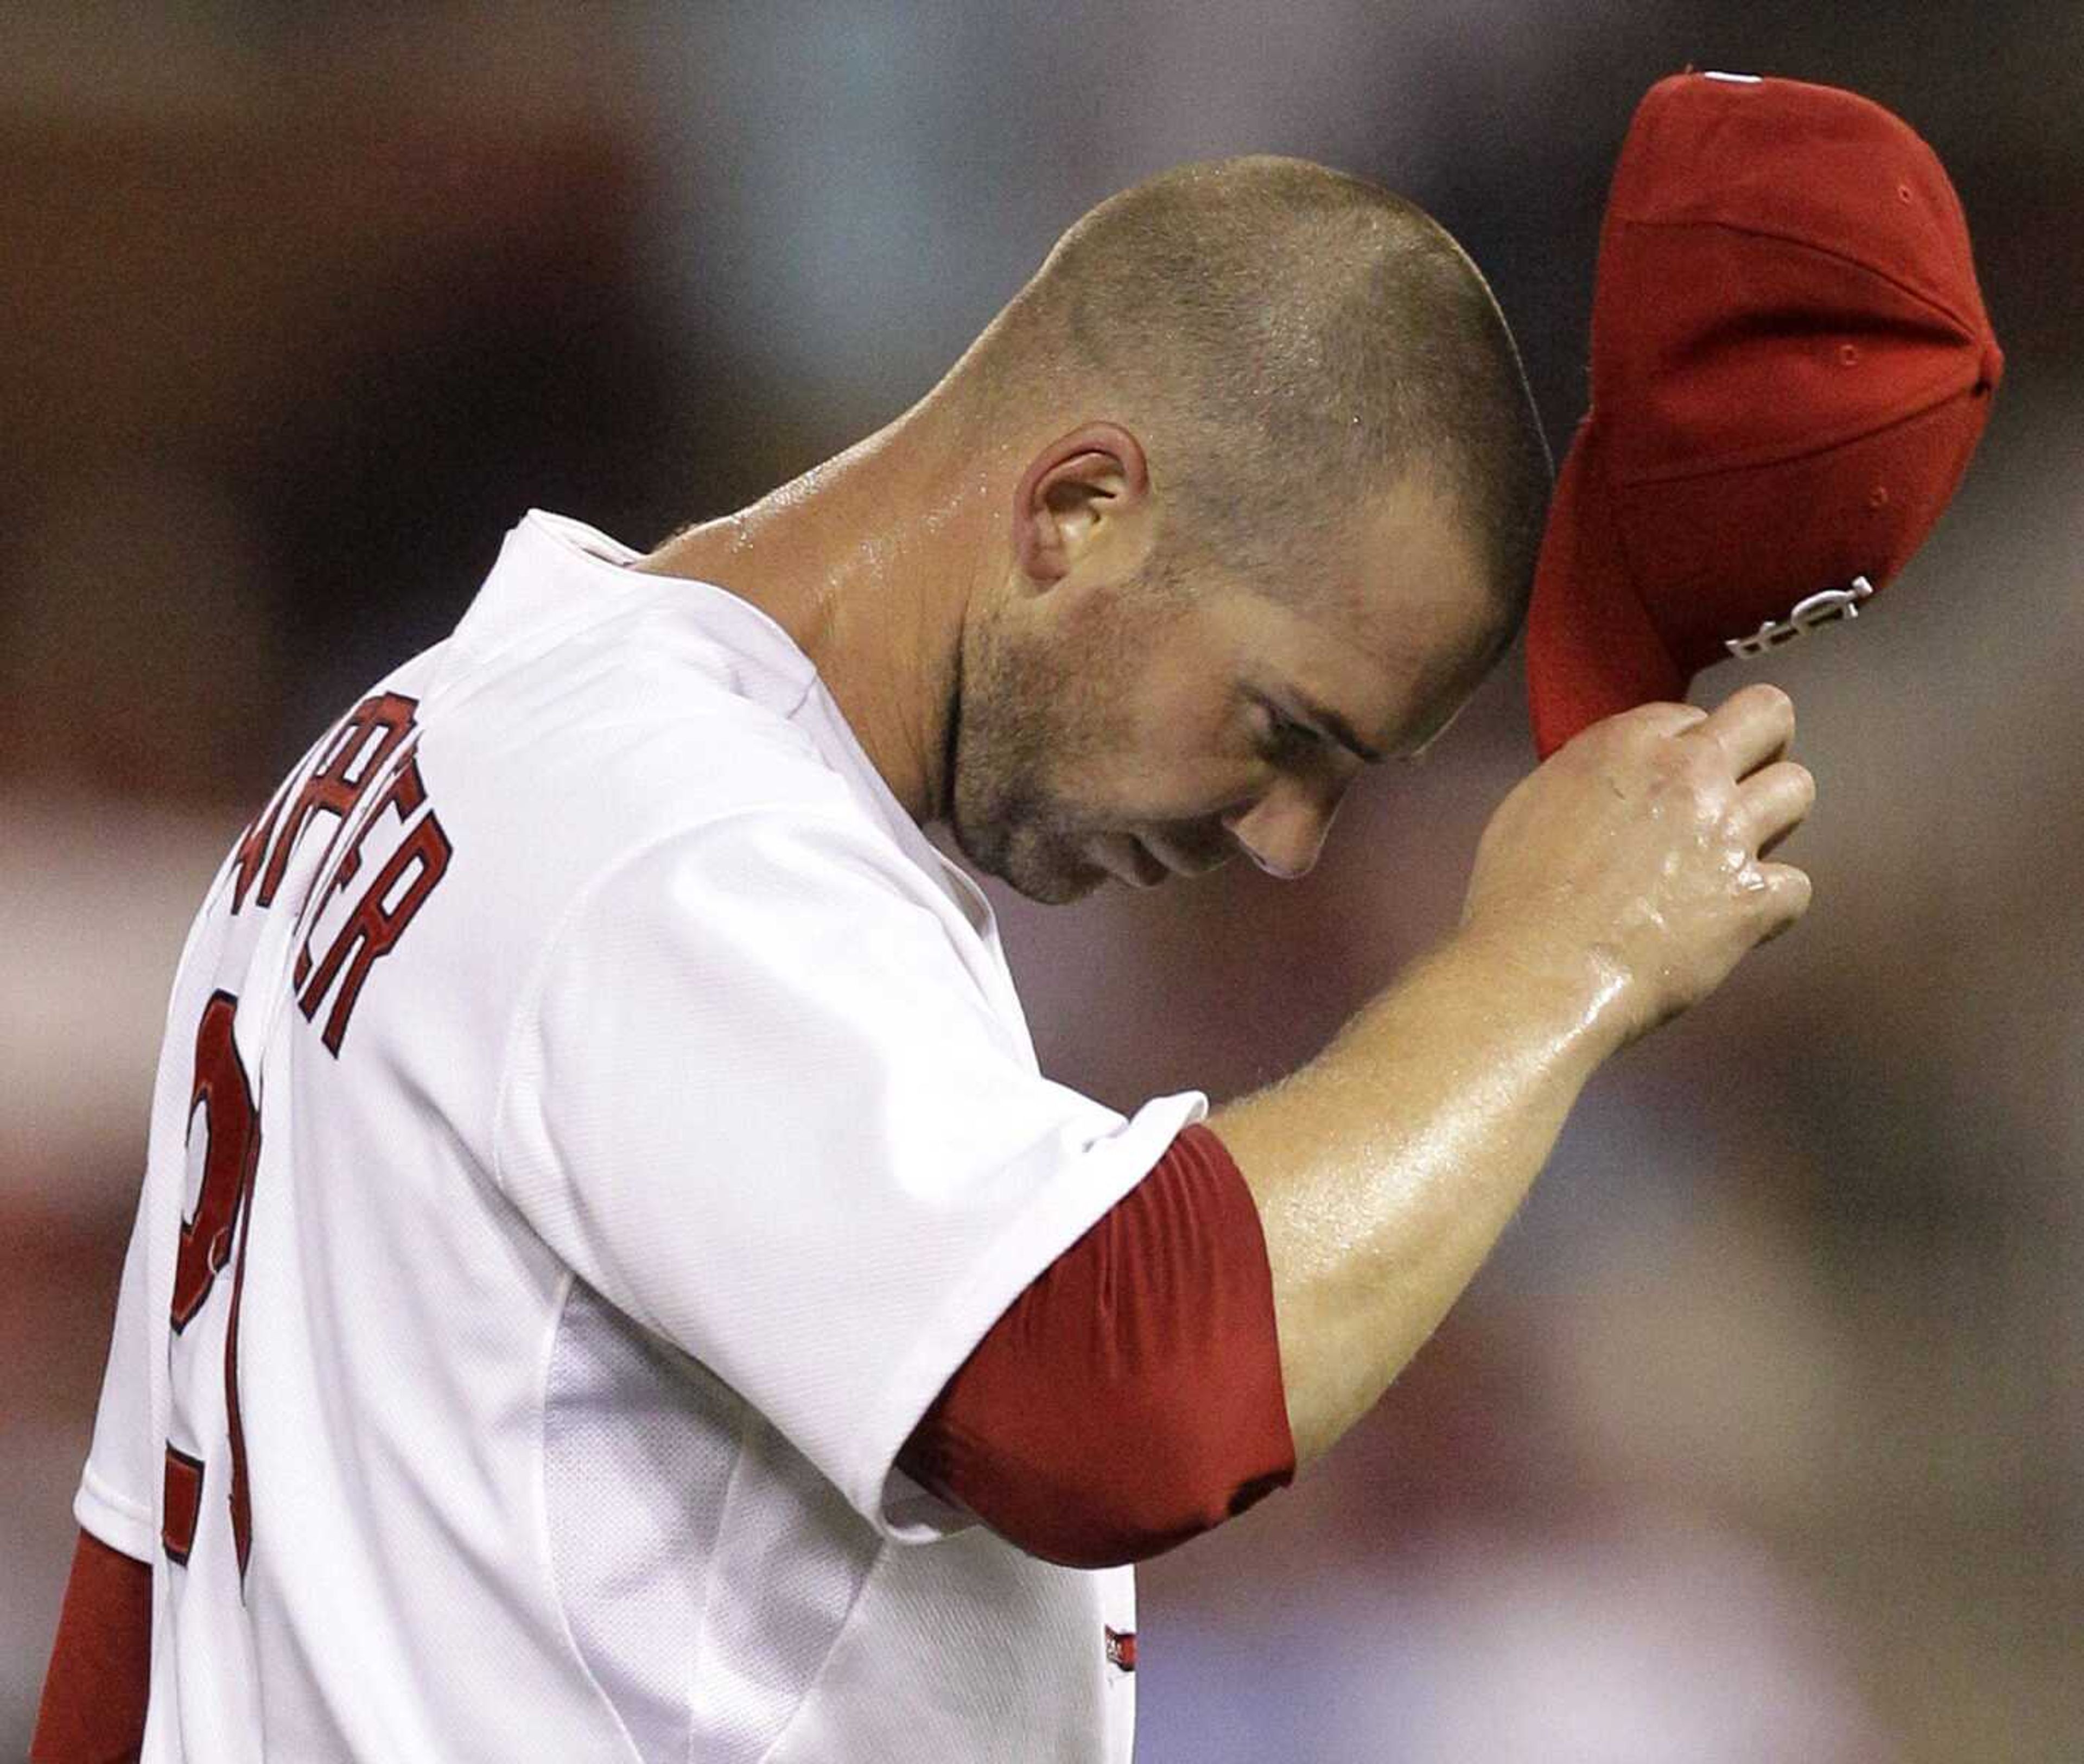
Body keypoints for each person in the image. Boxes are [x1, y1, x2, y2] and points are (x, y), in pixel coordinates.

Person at [34, 155, 1812, 1763]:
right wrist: (1557, 961)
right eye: (1283, 727)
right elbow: (1120, 1391)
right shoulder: (683, 831)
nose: (1283, 840)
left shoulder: (434, 739)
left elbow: (136, 1612)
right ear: (1079, 507)